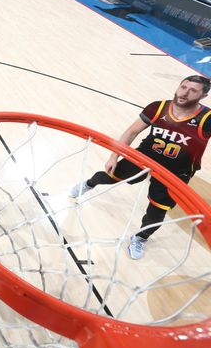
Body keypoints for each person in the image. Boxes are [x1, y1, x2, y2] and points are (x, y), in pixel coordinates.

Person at [69, 76, 211, 260]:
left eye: (192, 90)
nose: (184, 92)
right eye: (183, 86)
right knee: (108, 176)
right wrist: (114, 156)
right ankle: (89, 183)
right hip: (144, 157)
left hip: (176, 171)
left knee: (157, 210)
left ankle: (140, 238)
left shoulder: (207, 119)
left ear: (204, 95)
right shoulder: (158, 107)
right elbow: (131, 131)